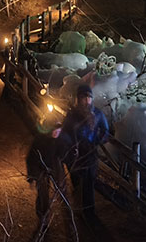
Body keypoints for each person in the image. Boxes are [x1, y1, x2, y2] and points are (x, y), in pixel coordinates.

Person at [61, 83, 109, 226]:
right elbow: (65, 132)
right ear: (78, 98)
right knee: (77, 180)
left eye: (89, 97)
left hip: (90, 152)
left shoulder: (98, 114)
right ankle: (79, 207)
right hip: (75, 153)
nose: (86, 100)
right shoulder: (72, 115)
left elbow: (105, 130)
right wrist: (70, 145)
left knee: (89, 181)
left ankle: (89, 210)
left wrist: (97, 141)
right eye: (83, 97)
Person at [26, 125, 77, 242]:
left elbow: (68, 155)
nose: (56, 133)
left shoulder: (64, 139)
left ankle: (69, 220)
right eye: (54, 130)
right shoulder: (40, 139)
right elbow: (31, 158)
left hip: (56, 166)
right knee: (43, 194)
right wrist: (31, 177)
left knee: (63, 193)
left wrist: (72, 162)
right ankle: (43, 220)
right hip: (42, 167)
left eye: (59, 130)